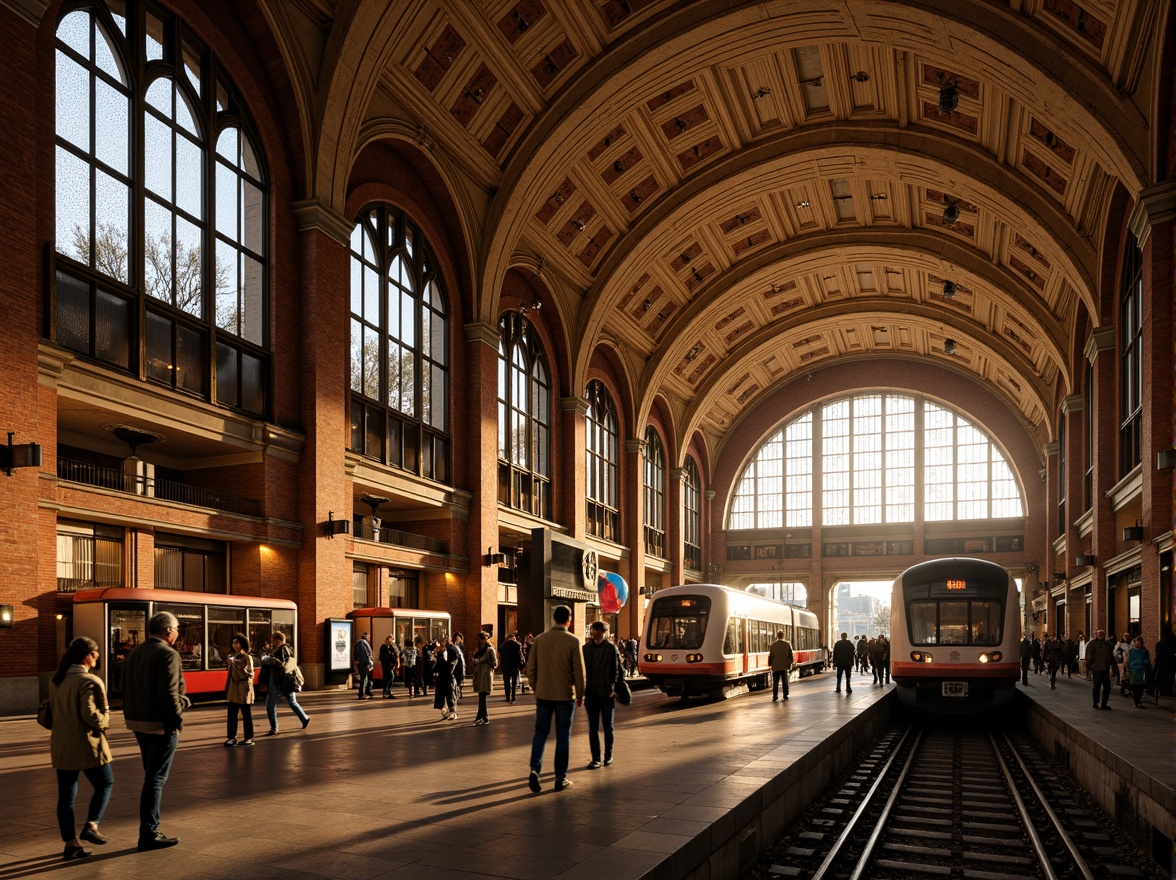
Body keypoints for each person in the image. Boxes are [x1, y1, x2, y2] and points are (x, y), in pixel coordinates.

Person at [122, 610, 187, 851]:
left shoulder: (134, 652)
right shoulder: (167, 654)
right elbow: (168, 693)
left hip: (138, 721)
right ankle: (149, 832)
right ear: (168, 630)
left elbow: (124, 686)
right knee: (155, 779)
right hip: (160, 724)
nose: (178, 633)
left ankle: (148, 831)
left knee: (151, 776)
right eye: (177, 628)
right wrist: (176, 721)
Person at [49, 637, 113, 861]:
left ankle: (70, 844)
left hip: (61, 745)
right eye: (95, 654)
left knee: (66, 796)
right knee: (105, 783)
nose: (97, 657)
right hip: (86, 745)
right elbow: (90, 714)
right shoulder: (89, 681)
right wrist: (105, 718)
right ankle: (91, 825)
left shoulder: (56, 679)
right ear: (87, 655)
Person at [525, 606, 586, 792]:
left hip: (543, 694)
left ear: (554, 619)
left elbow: (530, 668)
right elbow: (580, 672)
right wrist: (581, 694)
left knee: (540, 732)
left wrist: (536, 688)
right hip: (565, 695)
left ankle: (535, 769)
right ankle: (560, 778)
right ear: (569, 620)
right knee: (563, 737)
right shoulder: (573, 641)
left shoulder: (540, 640)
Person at [582, 621, 621, 768]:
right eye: (595, 631)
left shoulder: (611, 648)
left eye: (600, 631)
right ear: (592, 632)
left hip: (606, 693)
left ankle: (608, 756)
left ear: (603, 632)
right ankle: (596, 758)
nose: (597, 633)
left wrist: (616, 688)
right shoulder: (585, 649)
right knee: (594, 727)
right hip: (592, 694)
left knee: (607, 725)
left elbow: (617, 671)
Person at [259, 631, 310, 735]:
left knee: (271, 705)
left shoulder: (283, 649)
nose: (273, 642)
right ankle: (304, 718)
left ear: (279, 640)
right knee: (292, 702)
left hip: (278, 680)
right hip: (286, 681)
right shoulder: (284, 649)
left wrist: (267, 659)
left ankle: (274, 728)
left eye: (274, 640)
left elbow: (280, 663)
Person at [224, 633, 255, 746]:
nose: (234, 645)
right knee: (232, 713)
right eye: (233, 643)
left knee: (246, 713)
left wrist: (235, 665)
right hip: (233, 689)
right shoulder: (234, 656)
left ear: (242, 644)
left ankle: (249, 737)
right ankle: (231, 737)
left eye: (237, 643)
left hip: (243, 688)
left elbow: (247, 674)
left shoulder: (247, 657)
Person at [470, 631, 498, 725]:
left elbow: (494, 663)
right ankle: (483, 717)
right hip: (479, 674)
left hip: (485, 675)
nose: (480, 642)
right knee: (481, 697)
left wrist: (477, 661)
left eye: (481, 639)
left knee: (482, 697)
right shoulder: (479, 649)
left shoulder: (489, 649)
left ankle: (482, 717)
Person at [1085, 629, 1117, 710]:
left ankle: (1104, 703)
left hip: (1105, 668)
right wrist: (1090, 666)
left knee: (1107, 687)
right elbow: (1089, 655)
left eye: (1102, 634)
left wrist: (1113, 666)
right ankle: (1095, 702)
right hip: (1097, 668)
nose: (1101, 636)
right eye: (1100, 634)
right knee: (1097, 686)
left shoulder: (1107, 644)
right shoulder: (1092, 644)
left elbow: (1111, 655)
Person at [433, 635, 459, 720]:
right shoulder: (443, 651)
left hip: (448, 676)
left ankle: (453, 711)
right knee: (443, 694)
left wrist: (439, 655)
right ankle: (446, 709)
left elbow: (450, 664)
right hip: (442, 676)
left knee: (450, 694)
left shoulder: (451, 650)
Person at [768, 629, 794, 700]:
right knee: (785, 682)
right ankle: (785, 695)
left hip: (775, 667)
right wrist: (789, 663)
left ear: (777, 636)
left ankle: (775, 696)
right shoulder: (787, 645)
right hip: (784, 666)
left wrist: (770, 664)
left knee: (775, 682)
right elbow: (791, 656)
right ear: (783, 636)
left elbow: (771, 656)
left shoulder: (773, 645)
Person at [1126, 636, 1152, 708]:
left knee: (1141, 686)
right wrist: (1128, 669)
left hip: (1141, 670)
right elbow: (1129, 660)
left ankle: (1138, 700)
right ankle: (1136, 701)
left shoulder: (1144, 651)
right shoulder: (1132, 651)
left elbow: (1147, 660)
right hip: (1134, 670)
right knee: (1135, 687)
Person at [499, 632, 524, 703]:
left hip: (505, 666)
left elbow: (502, 657)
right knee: (514, 681)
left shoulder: (503, 645)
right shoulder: (517, 645)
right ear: (513, 638)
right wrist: (521, 667)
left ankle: (507, 696)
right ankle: (513, 696)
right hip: (514, 667)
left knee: (506, 682)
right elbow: (519, 657)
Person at [354, 632, 374, 700]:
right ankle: (361, 694)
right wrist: (368, 663)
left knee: (365, 678)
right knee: (364, 679)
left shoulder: (362, 643)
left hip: (363, 663)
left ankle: (365, 692)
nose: (369, 638)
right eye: (368, 637)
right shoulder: (362, 643)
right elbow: (364, 654)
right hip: (363, 664)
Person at [379, 635, 400, 699]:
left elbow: (397, 653)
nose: (391, 641)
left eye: (392, 640)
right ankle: (386, 692)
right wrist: (392, 655)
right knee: (389, 676)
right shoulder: (383, 647)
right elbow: (387, 656)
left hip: (392, 665)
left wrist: (394, 647)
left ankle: (388, 692)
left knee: (391, 677)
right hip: (386, 665)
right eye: (390, 639)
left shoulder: (392, 646)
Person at [452, 632, 467, 703]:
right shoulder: (453, 646)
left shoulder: (462, 646)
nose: (458, 639)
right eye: (457, 638)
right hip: (457, 666)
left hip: (461, 665)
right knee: (457, 680)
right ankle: (456, 693)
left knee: (461, 680)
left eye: (460, 638)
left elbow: (463, 654)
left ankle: (459, 692)